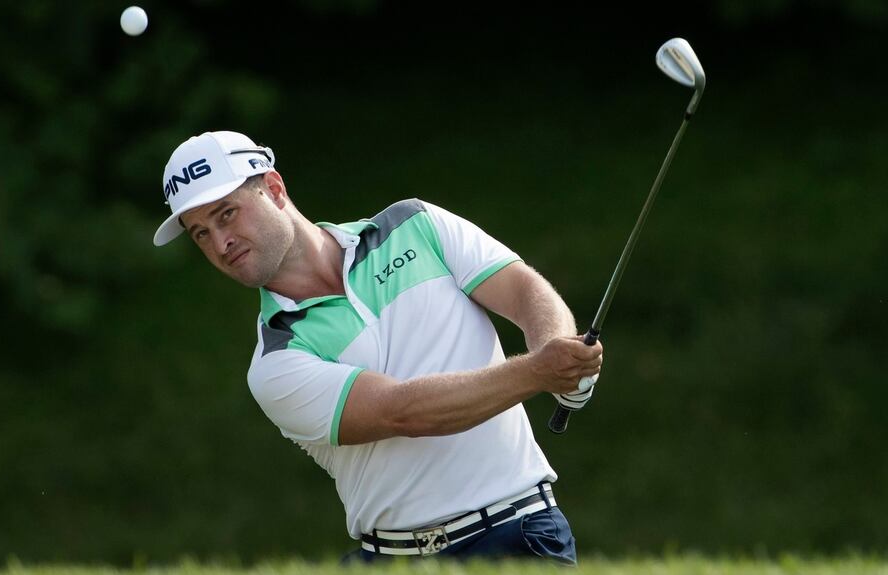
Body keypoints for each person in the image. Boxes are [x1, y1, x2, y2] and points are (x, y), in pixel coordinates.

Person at [152, 131, 603, 563]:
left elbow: (524, 290)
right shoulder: (276, 361)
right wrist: (539, 372)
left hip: (519, 531)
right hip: (396, 558)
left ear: (273, 188)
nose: (221, 243)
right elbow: (402, 411)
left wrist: (560, 352)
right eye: (201, 234)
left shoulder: (414, 225)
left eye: (226, 213)